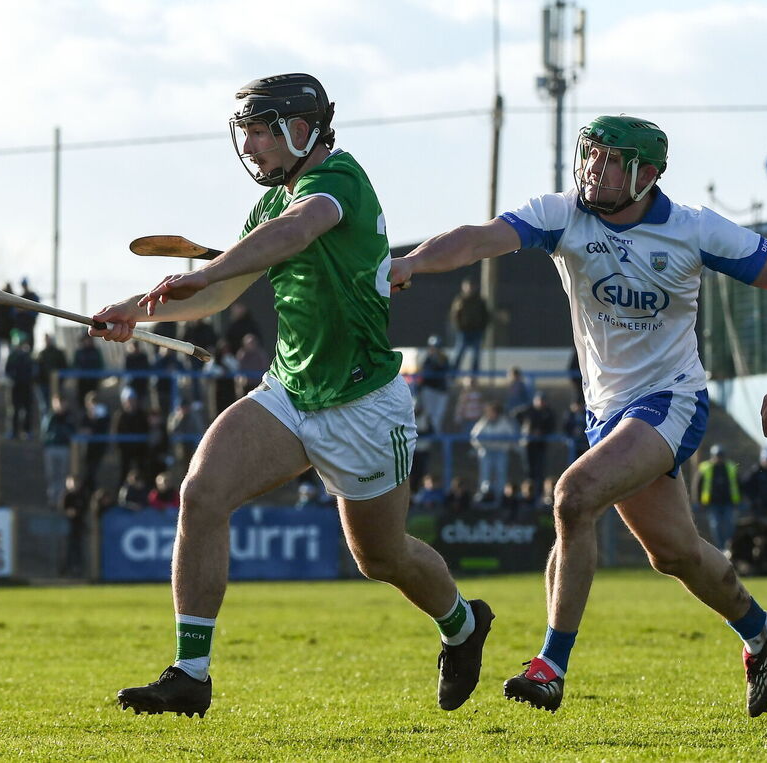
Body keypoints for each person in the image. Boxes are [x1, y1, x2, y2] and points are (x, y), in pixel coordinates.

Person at [90, 73, 492, 718]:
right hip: (289, 391)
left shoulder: (338, 184)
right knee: (201, 491)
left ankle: (464, 625)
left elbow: (297, 232)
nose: (250, 147)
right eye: (244, 132)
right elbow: (218, 296)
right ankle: (191, 673)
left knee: (381, 557)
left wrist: (210, 268)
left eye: (260, 132)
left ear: (302, 130)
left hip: (363, 404)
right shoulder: (270, 206)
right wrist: (136, 311)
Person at [389, 114, 767, 717]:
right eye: (591, 155)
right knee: (674, 554)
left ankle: (550, 666)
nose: (594, 168)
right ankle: (760, 630)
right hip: (608, 412)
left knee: (573, 496)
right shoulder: (564, 213)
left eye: (611, 160)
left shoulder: (692, 228)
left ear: (648, 174)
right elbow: (479, 238)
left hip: (673, 399)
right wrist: (414, 262)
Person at [692, 444, 741, 551]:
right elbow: (698, 485)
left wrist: (739, 500)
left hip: (728, 502)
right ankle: (721, 547)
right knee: (716, 525)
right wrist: (698, 500)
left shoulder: (731, 467)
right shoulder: (705, 467)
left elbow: (738, 483)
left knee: (729, 525)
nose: (719, 458)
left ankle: (729, 547)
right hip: (712, 503)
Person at [469, 402, 516, 507]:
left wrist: (504, 445)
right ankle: (484, 496)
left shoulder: (504, 422)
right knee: (485, 475)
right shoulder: (483, 422)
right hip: (487, 452)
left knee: (501, 474)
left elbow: (512, 436)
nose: (491, 414)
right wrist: (482, 445)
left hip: (501, 452)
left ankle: (500, 498)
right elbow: (474, 436)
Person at [516, 392, 557, 500]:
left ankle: (539, 494)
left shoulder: (548, 412)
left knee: (540, 471)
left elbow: (551, 426)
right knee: (529, 471)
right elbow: (516, 415)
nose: (541, 403)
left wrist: (542, 432)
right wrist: (526, 429)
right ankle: (528, 495)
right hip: (528, 445)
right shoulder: (529, 410)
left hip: (541, 445)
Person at [41, 393, 75, 509]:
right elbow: (46, 433)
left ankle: (61, 500)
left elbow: (70, 432)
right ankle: (52, 500)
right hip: (51, 448)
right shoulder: (50, 417)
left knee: (62, 474)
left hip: (63, 448)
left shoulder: (69, 417)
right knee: (51, 475)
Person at [449, 278, 489, 375]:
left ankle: (474, 376)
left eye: (472, 286)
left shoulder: (480, 301)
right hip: (463, 332)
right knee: (459, 353)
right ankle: (452, 375)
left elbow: (486, 315)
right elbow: (455, 315)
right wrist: (459, 327)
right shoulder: (460, 300)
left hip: (476, 331)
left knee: (476, 355)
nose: (470, 288)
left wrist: (482, 328)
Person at [416, 335, 451, 437]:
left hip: (440, 390)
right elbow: (425, 374)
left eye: (436, 347)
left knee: (439, 414)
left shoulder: (444, 359)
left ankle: (435, 432)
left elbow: (445, 371)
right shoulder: (427, 359)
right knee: (428, 413)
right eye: (433, 347)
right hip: (429, 389)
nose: (434, 350)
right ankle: (429, 431)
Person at [5, 330, 36, 439]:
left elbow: (33, 370)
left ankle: (27, 431)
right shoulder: (12, 356)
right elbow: (7, 370)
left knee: (27, 410)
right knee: (14, 410)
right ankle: (13, 431)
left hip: (26, 386)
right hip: (15, 386)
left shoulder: (28, 356)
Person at [35, 333, 69, 416]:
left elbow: (64, 367)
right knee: (45, 407)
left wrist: (60, 381)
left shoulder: (58, 353)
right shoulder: (41, 354)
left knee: (57, 406)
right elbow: (37, 370)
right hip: (43, 384)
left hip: (56, 384)